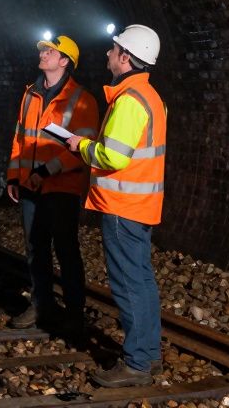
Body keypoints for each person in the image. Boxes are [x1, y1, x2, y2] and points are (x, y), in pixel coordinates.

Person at [66, 24, 166, 388]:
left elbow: (113, 156)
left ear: (126, 58)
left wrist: (81, 146)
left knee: (127, 283)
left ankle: (137, 363)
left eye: (113, 50)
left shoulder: (128, 101)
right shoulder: (150, 96)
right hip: (140, 205)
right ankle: (149, 356)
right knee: (142, 280)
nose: (108, 54)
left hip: (123, 206)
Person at [5, 35, 99, 333]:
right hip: (31, 186)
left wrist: (45, 172)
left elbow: (81, 150)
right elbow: (20, 139)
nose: (43, 54)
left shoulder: (82, 100)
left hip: (62, 187)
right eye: (44, 51)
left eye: (50, 51)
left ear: (64, 61)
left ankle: (74, 312)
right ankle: (41, 305)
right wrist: (13, 175)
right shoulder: (30, 94)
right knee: (36, 248)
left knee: (66, 249)